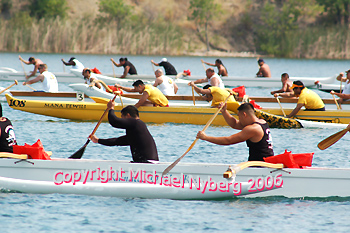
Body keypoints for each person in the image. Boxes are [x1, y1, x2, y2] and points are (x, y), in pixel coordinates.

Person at [197, 102, 274, 161]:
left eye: (239, 116)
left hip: (260, 165)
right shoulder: (262, 122)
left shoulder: (252, 129)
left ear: (244, 114)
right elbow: (234, 124)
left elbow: (228, 140)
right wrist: (224, 111)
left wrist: (206, 137)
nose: (239, 119)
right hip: (266, 162)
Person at [90, 102, 159, 163]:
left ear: (128, 116)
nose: (123, 121)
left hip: (148, 163)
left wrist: (111, 108)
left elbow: (114, 122)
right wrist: (98, 140)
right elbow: (117, 141)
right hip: (149, 163)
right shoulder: (136, 131)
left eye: (122, 118)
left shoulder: (135, 123)